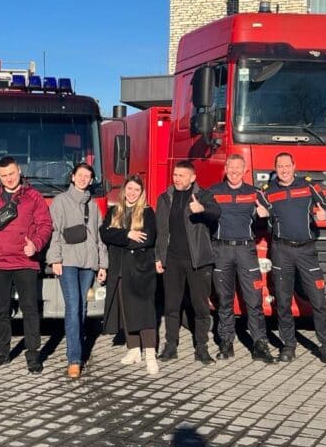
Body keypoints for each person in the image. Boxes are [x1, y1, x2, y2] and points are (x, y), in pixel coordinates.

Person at [257, 152, 326, 368]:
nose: (284, 170)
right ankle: (288, 346)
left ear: (294, 166)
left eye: (287, 166)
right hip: (281, 251)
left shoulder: (309, 186)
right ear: (275, 168)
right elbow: (258, 216)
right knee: (283, 300)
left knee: (318, 299)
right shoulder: (266, 192)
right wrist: (258, 214)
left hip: (307, 252)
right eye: (280, 166)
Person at [0, 156, 53, 374]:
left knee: (30, 310)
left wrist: (36, 244)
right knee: (1, 311)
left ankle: (33, 355)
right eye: (4, 175)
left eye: (12, 174)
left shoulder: (33, 197)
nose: (9, 179)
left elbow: (45, 225)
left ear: (19, 171)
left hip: (26, 262)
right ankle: (2, 353)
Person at [208, 154, 275, 363]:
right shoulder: (214, 192)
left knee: (254, 300)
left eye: (239, 168)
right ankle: (226, 343)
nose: (235, 172)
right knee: (224, 300)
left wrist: (266, 214)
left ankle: (259, 344)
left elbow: (274, 214)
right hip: (222, 251)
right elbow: (202, 215)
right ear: (226, 168)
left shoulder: (255, 193)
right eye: (231, 167)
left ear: (245, 170)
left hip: (247, 251)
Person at [155, 160, 221, 365]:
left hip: (198, 260)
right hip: (172, 260)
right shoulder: (165, 198)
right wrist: (159, 256)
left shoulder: (204, 195)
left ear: (192, 178)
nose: (176, 178)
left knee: (200, 307)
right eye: (175, 175)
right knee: (171, 306)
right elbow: (161, 230)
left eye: (181, 175)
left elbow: (217, 213)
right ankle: (170, 347)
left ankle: (201, 348)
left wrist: (202, 208)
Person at [47, 162, 107, 379]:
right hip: (68, 261)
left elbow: (99, 236)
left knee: (81, 307)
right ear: (72, 177)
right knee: (73, 306)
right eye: (80, 175)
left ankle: (78, 350)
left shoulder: (93, 205)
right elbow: (54, 231)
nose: (83, 179)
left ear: (91, 180)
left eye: (87, 176)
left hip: (89, 262)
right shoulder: (60, 201)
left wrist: (102, 264)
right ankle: (74, 359)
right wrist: (55, 258)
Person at [99, 175, 159, 375]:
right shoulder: (114, 211)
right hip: (120, 269)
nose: (132, 193)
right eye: (130, 189)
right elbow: (105, 234)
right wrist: (127, 234)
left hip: (141, 269)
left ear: (141, 193)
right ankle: (134, 350)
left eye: (136, 190)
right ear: (124, 190)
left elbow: (148, 238)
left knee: (144, 310)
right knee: (126, 310)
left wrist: (121, 237)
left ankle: (150, 354)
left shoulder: (148, 213)